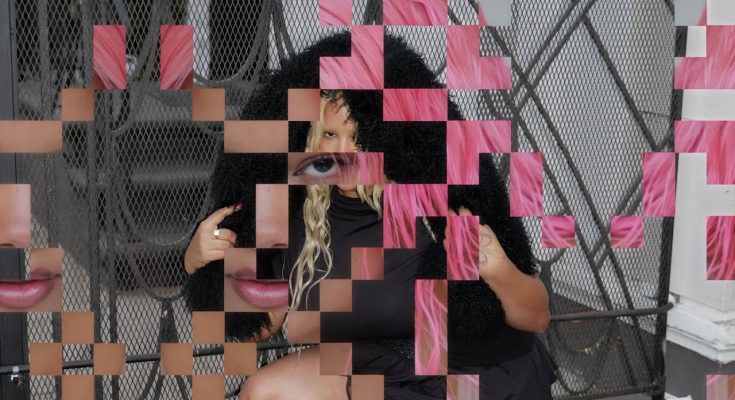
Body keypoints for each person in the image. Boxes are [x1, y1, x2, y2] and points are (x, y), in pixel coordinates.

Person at [184, 31, 557, 399]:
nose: (344, 152)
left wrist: (498, 271)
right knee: (262, 392)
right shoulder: (297, 215)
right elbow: (258, 328)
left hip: (470, 371)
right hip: (374, 363)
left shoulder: (434, 203)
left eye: (359, 137)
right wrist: (197, 261)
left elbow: (537, 317)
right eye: (331, 135)